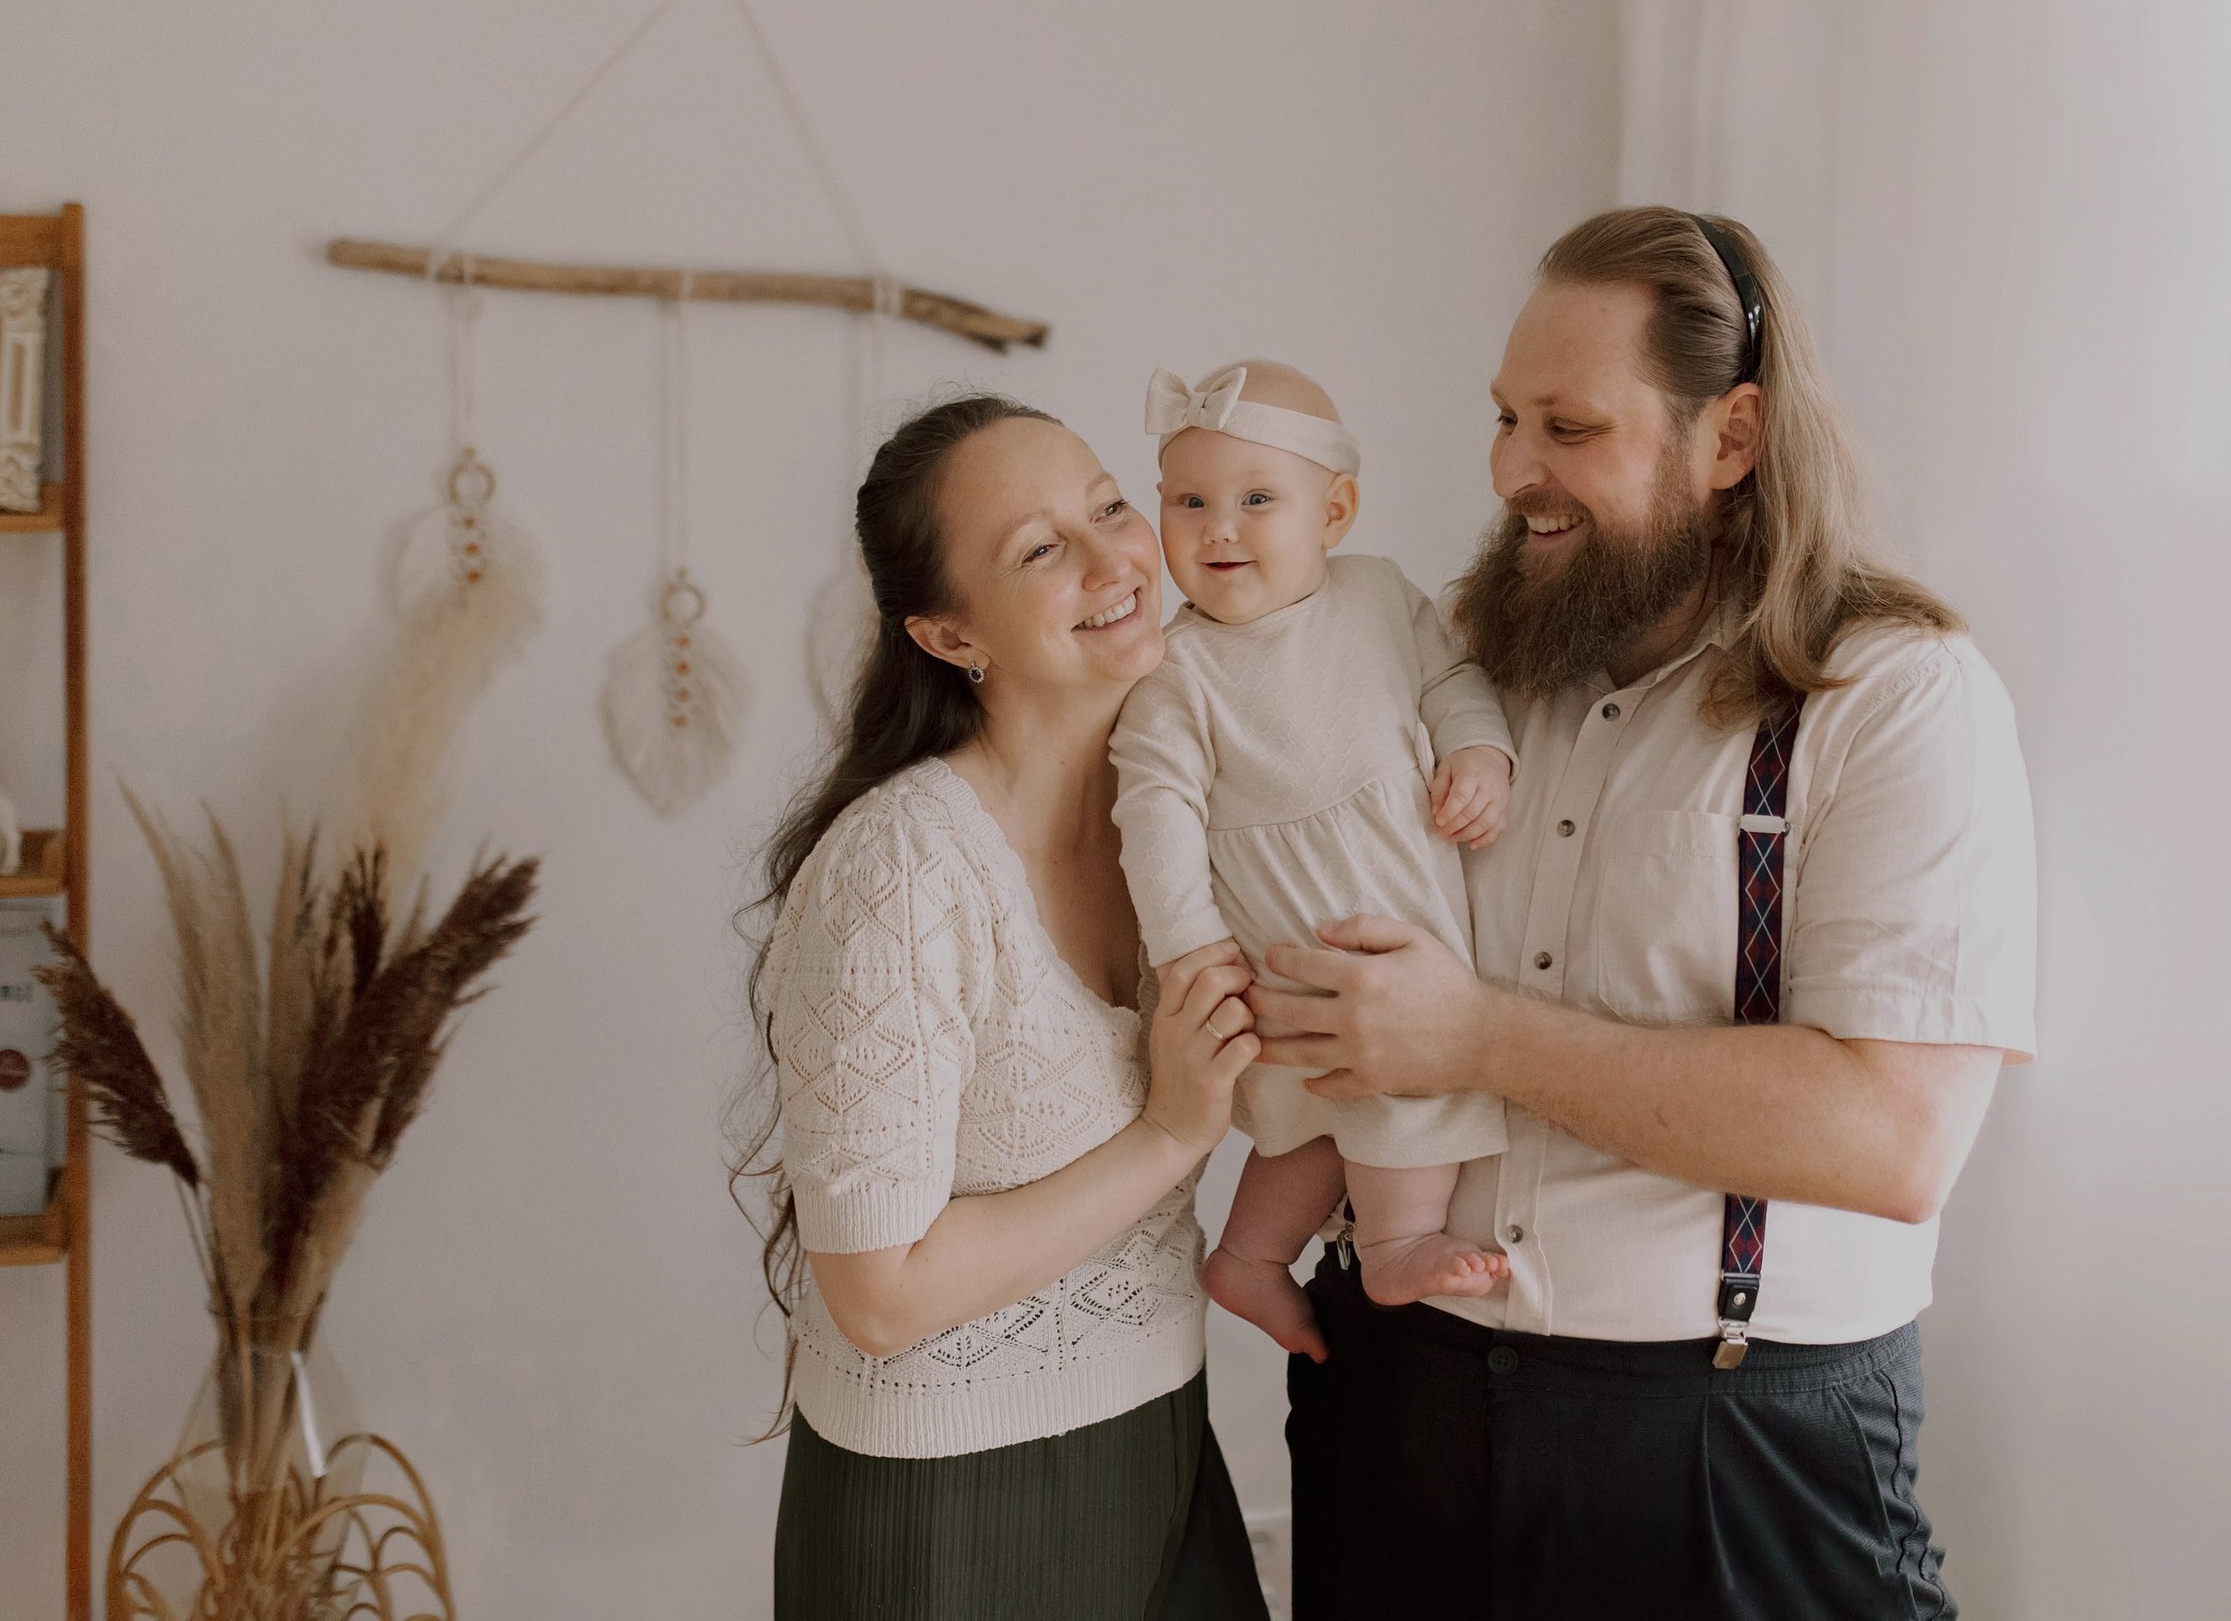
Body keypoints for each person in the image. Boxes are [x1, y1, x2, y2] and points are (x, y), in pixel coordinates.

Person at [1260, 208, 2036, 1620]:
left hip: (1726, 1447)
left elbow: (1891, 1134)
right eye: (1504, 419)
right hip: (1401, 1409)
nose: (1510, 474)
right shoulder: (1456, 664)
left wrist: (1478, 1035)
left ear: (1729, 437)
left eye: (1569, 428)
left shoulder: (1897, 695)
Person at [743, 395, 1273, 1620]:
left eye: (1107, 507)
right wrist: (1169, 1136)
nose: (1113, 561)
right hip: (949, 1507)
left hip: (1166, 1442)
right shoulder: (904, 868)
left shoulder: (1184, 813)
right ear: (944, 632)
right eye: (1040, 550)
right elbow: (878, 1293)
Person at [1110, 359, 1517, 1367]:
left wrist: (1478, 751)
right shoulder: (1175, 674)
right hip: (1286, 939)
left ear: (1333, 512)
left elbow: (1452, 680)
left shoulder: (1378, 594)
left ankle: (1248, 1256)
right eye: (1189, 501)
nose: (1218, 527)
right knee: (1355, 1092)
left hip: (1396, 907)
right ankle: (1395, 1244)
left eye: (1256, 499)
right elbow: (1151, 815)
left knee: (1329, 1115)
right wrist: (1188, 949)